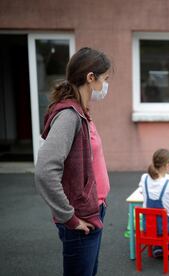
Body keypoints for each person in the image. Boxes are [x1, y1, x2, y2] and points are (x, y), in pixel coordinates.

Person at [35, 47, 111, 276]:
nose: (106, 86)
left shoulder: (81, 111)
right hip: (80, 220)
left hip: (93, 210)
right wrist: (70, 218)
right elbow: (45, 171)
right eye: (105, 79)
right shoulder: (69, 116)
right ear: (91, 78)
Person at [138, 148, 169, 257]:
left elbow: (141, 191)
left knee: (164, 213)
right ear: (166, 166)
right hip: (163, 228)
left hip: (148, 226)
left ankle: (158, 247)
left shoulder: (144, 178)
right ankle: (168, 245)